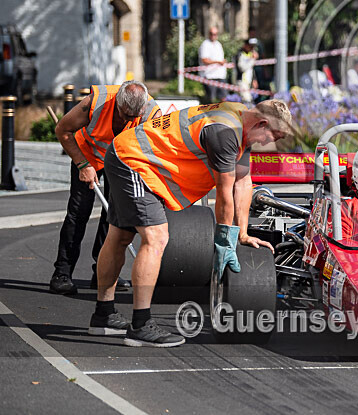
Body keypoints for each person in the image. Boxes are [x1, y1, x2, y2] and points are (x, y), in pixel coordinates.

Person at [89, 100, 292, 346]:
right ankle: (141, 326)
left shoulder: (242, 120)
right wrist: (225, 241)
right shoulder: (225, 131)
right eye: (274, 136)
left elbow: (243, 181)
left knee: (120, 237)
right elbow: (224, 193)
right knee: (156, 237)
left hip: (133, 156)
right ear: (262, 123)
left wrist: (243, 234)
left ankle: (104, 315)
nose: (270, 143)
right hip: (134, 161)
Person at [50, 82, 161, 295]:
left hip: (122, 160)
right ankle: (62, 273)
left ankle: (103, 275)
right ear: (117, 103)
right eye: (124, 115)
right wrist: (82, 165)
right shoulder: (96, 102)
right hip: (88, 154)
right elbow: (63, 130)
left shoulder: (153, 114)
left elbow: (153, 151)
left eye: (133, 117)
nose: (128, 120)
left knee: (113, 216)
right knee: (78, 213)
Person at [198, 27, 227, 102]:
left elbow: (221, 59)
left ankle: (221, 113)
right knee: (211, 100)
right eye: (211, 34)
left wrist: (223, 61)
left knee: (223, 98)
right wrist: (218, 62)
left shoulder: (218, 44)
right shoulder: (205, 44)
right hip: (209, 76)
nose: (213, 36)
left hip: (220, 75)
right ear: (209, 34)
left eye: (215, 34)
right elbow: (205, 60)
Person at [235, 38, 259, 103]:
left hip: (248, 82)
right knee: (247, 101)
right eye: (250, 46)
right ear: (245, 45)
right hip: (241, 81)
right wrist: (253, 59)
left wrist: (254, 79)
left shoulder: (250, 54)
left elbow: (251, 68)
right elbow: (242, 68)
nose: (252, 48)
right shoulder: (240, 54)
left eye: (253, 46)